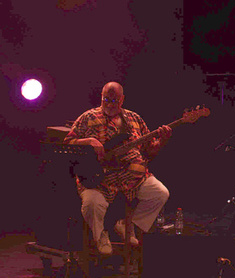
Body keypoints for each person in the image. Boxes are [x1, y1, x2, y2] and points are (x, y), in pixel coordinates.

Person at [64, 82, 171, 255]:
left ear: (122, 99)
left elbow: (151, 151)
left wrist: (163, 140)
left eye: (114, 100)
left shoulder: (134, 119)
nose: (110, 104)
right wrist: (89, 141)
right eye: (106, 99)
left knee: (160, 193)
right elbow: (68, 142)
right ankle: (100, 236)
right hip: (99, 177)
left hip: (133, 178)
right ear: (101, 97)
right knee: (92, 204)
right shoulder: (88, 117)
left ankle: (129, 225)